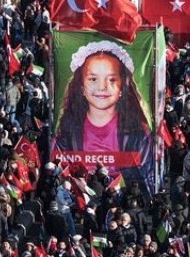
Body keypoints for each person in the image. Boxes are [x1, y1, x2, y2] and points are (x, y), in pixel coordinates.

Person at [52, 40, 154, 188]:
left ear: (122, 87)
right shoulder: (67, 131)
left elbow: (147, 177)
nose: (102, 87)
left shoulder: (137, 133)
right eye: (93, 79)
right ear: (81, 86)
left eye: (111, 80)